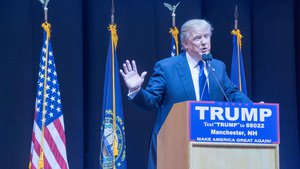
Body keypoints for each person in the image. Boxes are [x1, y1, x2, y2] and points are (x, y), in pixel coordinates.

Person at [120, 19, 251, 169]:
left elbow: (232, 94)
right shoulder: (167, 67)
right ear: (185, 45)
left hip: (212, 147)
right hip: (174, 146)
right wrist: (136, 90)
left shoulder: (218, 67)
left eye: (206, 36)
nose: (204, 42)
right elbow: (151, 101)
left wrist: (253, 109)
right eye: (197, 38)